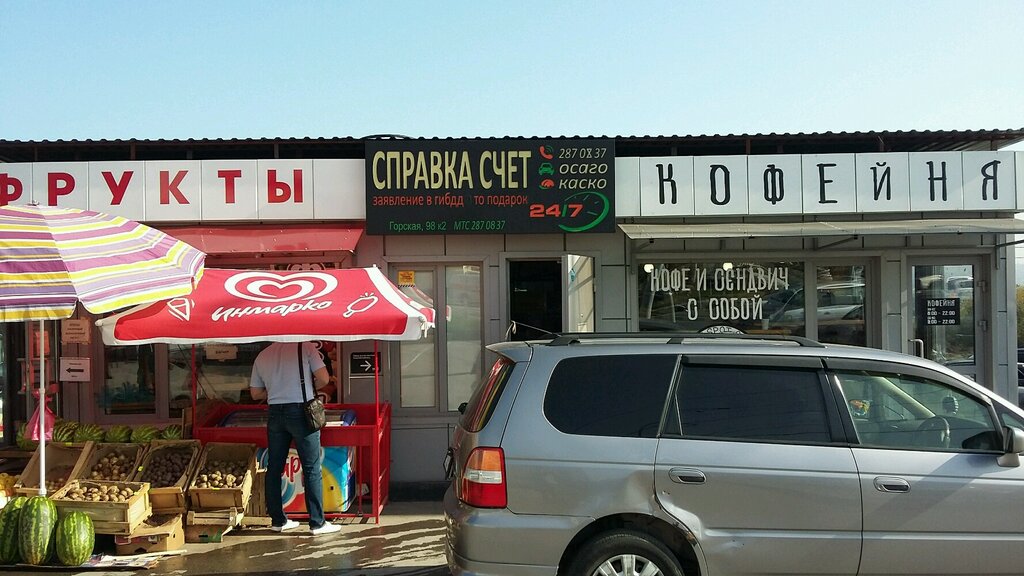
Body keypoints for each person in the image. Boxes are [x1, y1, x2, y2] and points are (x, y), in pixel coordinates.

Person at [248, 341, 342, 535]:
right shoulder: (305, 347)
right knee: (311, 468)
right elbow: (324, 379)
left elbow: (255, 393)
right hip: (301, 411)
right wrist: (309, 386)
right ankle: (317, 522)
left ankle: (278, 521)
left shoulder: (263, 355)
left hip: (275, 412)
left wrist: (275, 390)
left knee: (274, 468)